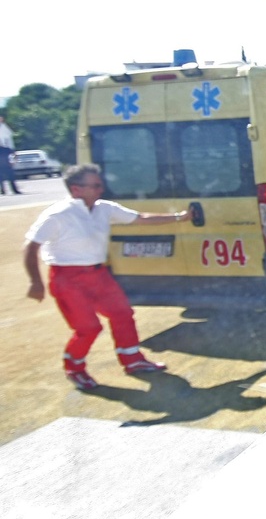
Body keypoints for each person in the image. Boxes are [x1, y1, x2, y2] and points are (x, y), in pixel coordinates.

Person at [23, 163, 196, 390]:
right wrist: (35, 282)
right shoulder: (57, 215)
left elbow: (141, 218)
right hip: (68, 279)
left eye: (100, 184)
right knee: (88, 328)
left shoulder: (104, 208)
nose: (101, 189)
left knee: (122, 313)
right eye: (95, 185)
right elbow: (31, 247)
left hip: (98, 274)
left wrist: (180, 218)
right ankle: (74, 368)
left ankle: (132, 360)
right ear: (76, 189)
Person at [0, 115, 19, 195]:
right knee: (1, 177)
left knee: (11, 176)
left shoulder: (4, 128)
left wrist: (14, 158)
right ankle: (3, 190)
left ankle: (14, 190)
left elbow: (9, 140)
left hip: (6, 161)